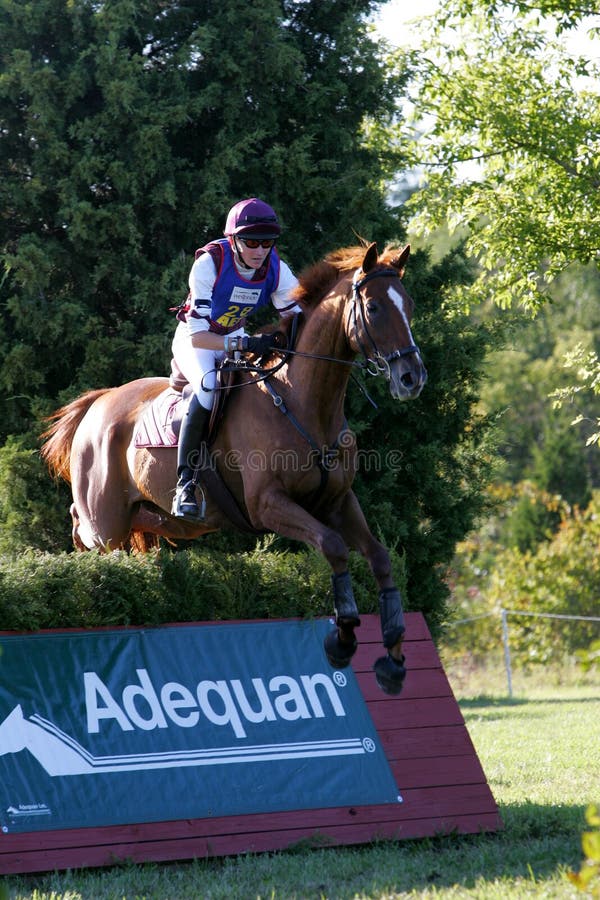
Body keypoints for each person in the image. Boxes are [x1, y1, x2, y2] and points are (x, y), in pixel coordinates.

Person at [170, 197, 300, 520]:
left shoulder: (276, 269)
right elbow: (199, 337)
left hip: (235, 339)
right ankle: (185, 484)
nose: (260, 251)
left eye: (267, 242)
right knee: (208, 388)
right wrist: (246, 342)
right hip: (195, 339)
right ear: (234, 239)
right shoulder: (209, 264)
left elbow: (301, 317)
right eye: (252, 241)